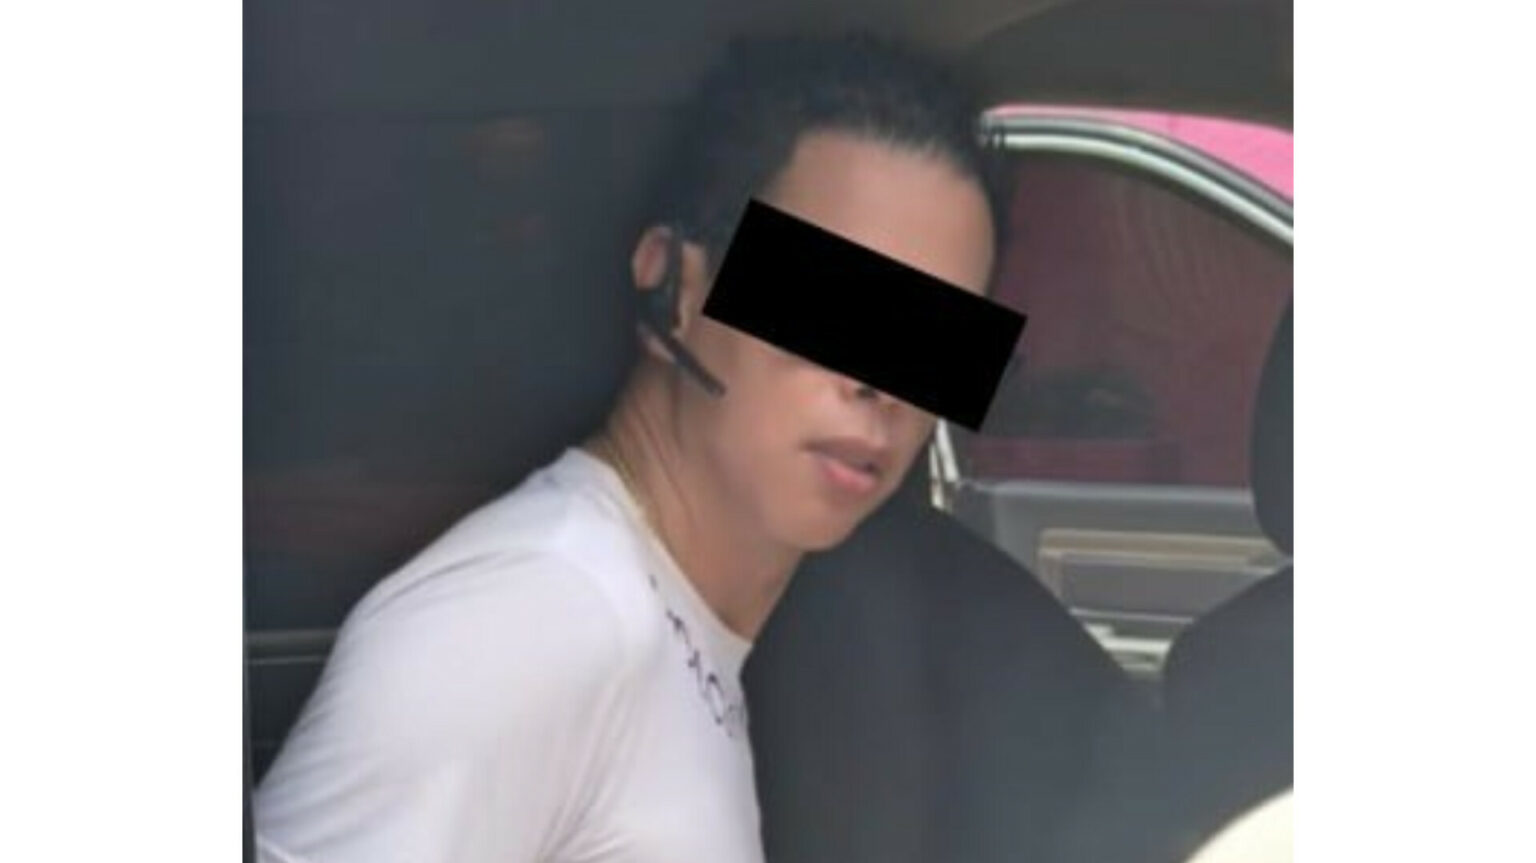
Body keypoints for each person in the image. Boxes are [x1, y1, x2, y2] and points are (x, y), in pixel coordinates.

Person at [253, 33, 1003, 863]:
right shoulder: (535, 613)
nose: (881, 385)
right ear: (673, 285)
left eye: (935, 342)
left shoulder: (664, 621)